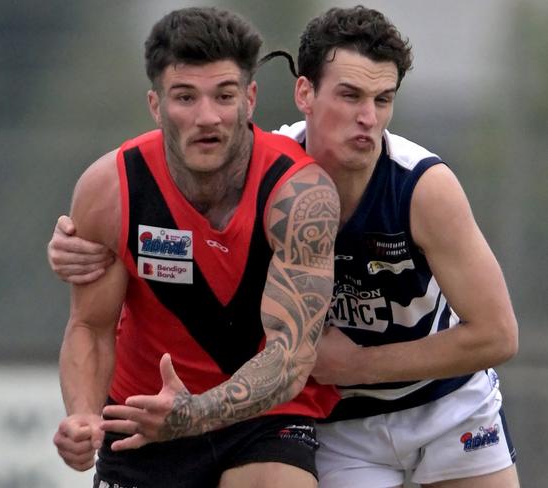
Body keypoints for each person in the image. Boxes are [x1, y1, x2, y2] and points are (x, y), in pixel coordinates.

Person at [49, 5, 520, 488]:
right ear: (304, 94)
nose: (367, 118)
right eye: (350, 95)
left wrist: (358, 365)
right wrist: (73, 239)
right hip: (342, 418)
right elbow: (92, 315)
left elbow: (498, 335)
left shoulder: (415, 188)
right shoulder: (235, 173)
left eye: (383, 99)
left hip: (440, 403)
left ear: (248, 98)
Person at [50, 7, 341, 488]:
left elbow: (290, 359)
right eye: (185, 97)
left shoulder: (298, 194)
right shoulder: (112, 188)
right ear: (156, 104)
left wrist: (193, 413)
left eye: (224, 95)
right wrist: (83, 417)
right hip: (143, 419)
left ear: (249, 98)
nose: (207, 117)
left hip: (263, 416)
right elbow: (90, 327)